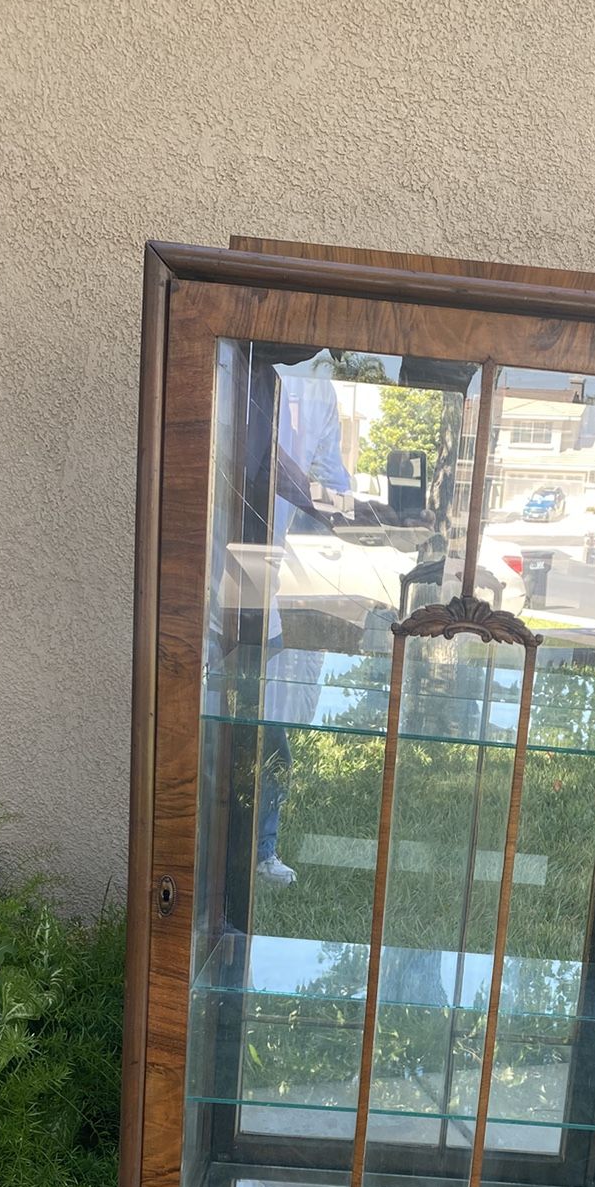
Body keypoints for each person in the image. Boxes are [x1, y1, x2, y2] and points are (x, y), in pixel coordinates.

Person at [255, 350, 352, 886]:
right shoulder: (243, 364)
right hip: (204, 580)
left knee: (267, 727)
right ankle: (207, 849)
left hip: (261, 583)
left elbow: (329, 479)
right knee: (204, 723)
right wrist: (333, 508)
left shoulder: (320, 385)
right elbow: (264, 463)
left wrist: (368, 516)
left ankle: (260, 849)